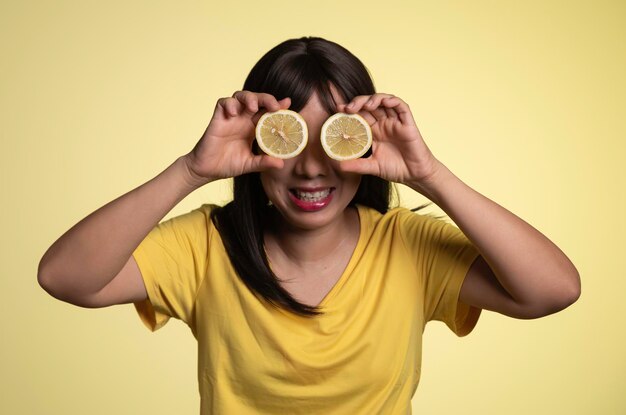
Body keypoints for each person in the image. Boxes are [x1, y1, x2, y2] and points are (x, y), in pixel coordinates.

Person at [38, 36, 581, 414]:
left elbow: (554, 290)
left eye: (334, 137)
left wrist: (430, 175)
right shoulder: (207, 247)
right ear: (257, 141)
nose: (313, 166)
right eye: (290, 136)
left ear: (364, 141)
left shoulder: (407, 246)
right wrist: (190, 171)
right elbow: (64, 277)